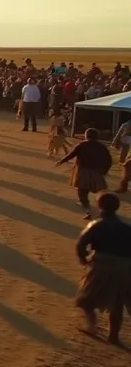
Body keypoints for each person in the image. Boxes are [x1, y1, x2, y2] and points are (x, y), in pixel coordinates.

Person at [75, 193, 131, 344]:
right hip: (123, 267)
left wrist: (83, 258)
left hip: (101, 264)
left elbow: (81, 244)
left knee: (87, 298)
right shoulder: (126, 228)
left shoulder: (95, 225)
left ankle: (92, 326)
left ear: (100, 206)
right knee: (117, 303)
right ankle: (113, 336)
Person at [58, 128, 113, 220]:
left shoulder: (82, 145)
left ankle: (89, 211)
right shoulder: (102, 147)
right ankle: (104, 212)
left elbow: (72, 154)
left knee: (82, 194)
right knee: (101, 195)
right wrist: (104, 171)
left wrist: (62, 161)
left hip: (83, 172)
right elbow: (109, 160)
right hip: (97, 173)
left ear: (86, 136)